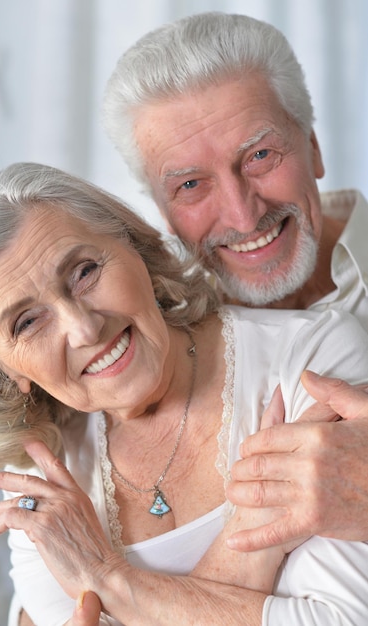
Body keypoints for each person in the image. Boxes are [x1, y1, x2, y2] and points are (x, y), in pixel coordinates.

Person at [0, 162, 368, 625]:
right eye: (27, 322)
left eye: (85, 272)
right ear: (6, 372)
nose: (85, 328)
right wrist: (250, 552)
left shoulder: (309, 357)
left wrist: (106, 578)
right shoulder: (38, 475)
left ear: (137, 247)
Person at [102, 11, 368, 549]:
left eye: (260, 156)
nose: (244, 217)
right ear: (160, 208)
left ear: (313, 148)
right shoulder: (139, 350)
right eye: (192, 184)